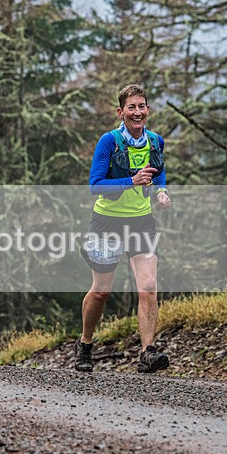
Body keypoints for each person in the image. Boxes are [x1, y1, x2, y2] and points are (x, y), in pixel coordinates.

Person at [77, 84, 172, 373]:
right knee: (101, 292)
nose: (137, 112)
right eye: (131, 107)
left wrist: (161, 192)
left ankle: (147, 352)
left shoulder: (155, 141)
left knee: (149, 287)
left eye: (141, 106)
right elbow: (95, 186)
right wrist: (132, 181)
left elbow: (158, 172)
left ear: (148, 110)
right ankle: (85, 344)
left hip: (141, 222)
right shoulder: (109, 142)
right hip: (107, 221)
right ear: (121, 112)